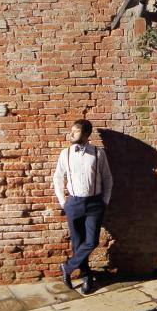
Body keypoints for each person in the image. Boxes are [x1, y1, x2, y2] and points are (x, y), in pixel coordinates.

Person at [52, 118, 113, 294]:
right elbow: (57, 177)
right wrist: (63, 202)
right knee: (78, 244)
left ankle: (67, 267)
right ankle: (86, 278)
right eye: (71, 130)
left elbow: (108, 178)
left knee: (91, 241)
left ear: (86, 134)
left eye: (75, 131)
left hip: (95, 203)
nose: (71, 134)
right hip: (74, 203)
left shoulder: (98, 153)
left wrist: (105, 201)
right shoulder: (66, 154)